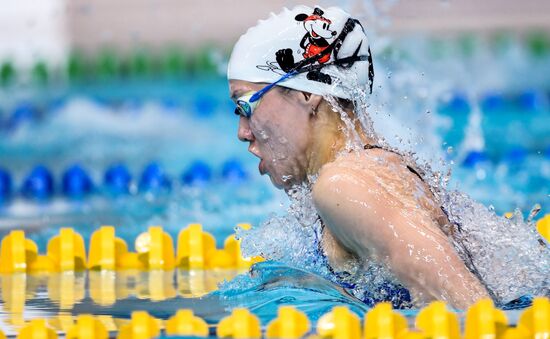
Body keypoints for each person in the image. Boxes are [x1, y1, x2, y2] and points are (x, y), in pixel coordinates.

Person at [226, 5, 547, 309]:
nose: (242, 131)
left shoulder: (345, 186)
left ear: (307, 94)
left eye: (245, 107)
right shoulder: (373, 169)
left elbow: (473, 314)